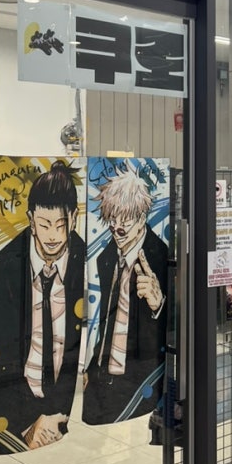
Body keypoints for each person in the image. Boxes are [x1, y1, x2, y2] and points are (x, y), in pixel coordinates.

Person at [0, 161, 85, 453]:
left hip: (63, 402)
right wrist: (27, 423)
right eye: (44, 225)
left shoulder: (87, 260)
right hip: (14, 406)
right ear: (31, 220)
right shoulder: (2, 269)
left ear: (74, 218)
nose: (52, 236)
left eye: (61, 225)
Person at [82, 168, 168, 425]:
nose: (117, 230)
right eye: (112, 224)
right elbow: (108, 318)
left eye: (124, 225)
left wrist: (159, 304)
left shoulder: (159, 255)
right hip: (104, 374)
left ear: (141, 218)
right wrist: (93, 365)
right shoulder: (106, 258)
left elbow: (180, 319)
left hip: (142, 374)